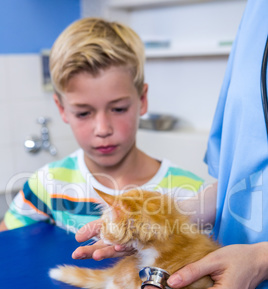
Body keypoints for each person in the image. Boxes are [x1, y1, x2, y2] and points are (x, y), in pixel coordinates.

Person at [72, 0, 268, 289]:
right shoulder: (256, 13)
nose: (102, 128)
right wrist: (166, 218)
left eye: (118, 108)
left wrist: (262, 259)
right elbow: (241, 181)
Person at [0, 18, 204, 233]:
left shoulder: (189, 194)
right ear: (61, 109)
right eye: (83, 113)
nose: (103, 129)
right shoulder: (47, 186)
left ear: (142, 100)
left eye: (118, 109)